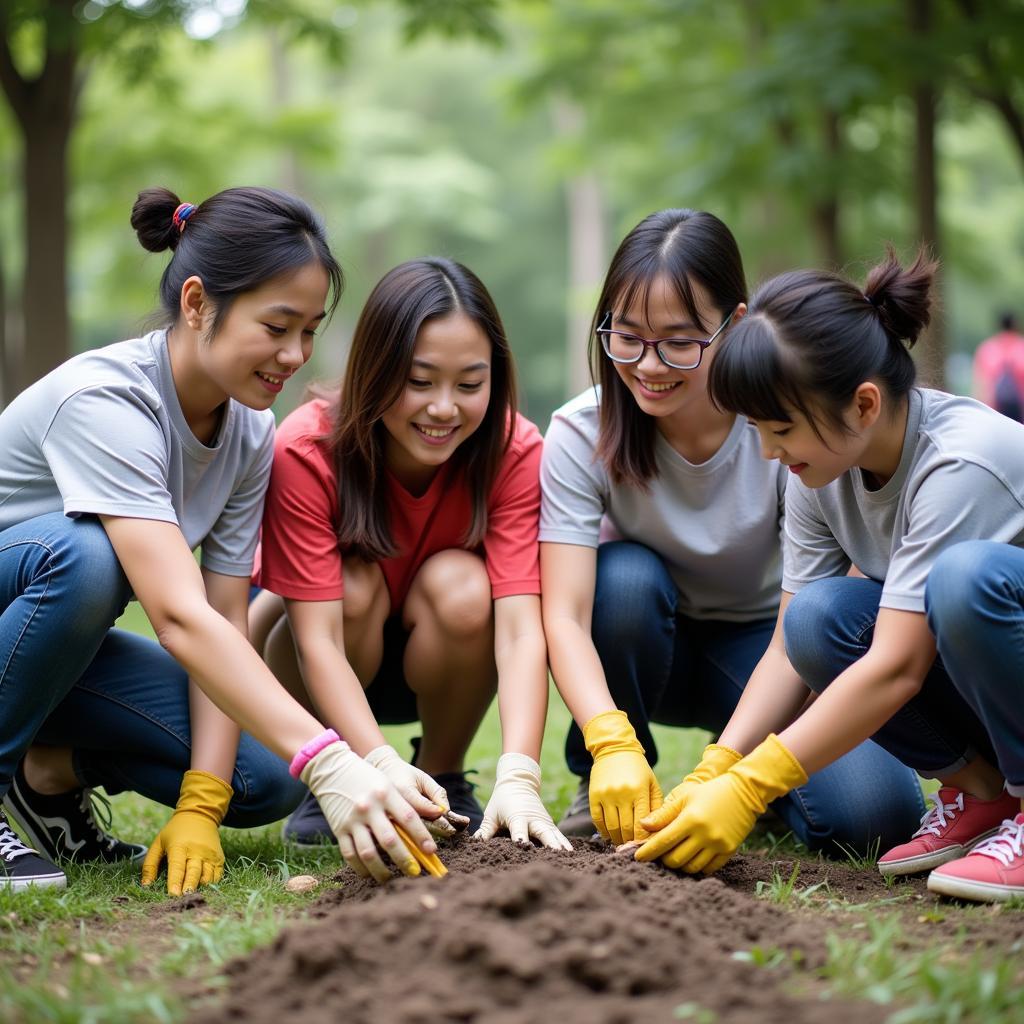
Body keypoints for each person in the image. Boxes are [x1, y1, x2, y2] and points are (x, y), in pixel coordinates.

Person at [0, 186, 441, 894]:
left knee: (261, 779)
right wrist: (332, 760)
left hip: (49, 650)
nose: (295, 353)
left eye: (310, 330)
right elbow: (177, 616)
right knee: (86, 556)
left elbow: (224, 618)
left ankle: (44, 776)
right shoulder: (105, 404)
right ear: (199, 303)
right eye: (277, 326)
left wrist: (204, 801)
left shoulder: (247, 431)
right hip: (32, 595)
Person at [636, 248, 1024, 903]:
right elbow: (792, 642)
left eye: (780, 427)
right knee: (822, 616)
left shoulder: (961, 464)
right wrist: (720, 766)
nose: (765, 450)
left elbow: (898, 666)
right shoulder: (824, 469)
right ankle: (986, 793)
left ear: (865, 404)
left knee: (963, 580)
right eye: (755, 427)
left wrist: (756, 785)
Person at [539, 209, 924, 855]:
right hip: (640, 645)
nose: (649, 365)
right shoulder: (582, 431)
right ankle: (606, 782)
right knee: (625, 581)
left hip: (766, 650)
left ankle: (751, 787)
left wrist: (735, 774)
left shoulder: (789, 428)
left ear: (736, 324)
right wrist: (608, 740)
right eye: (627, 336)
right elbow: (566, 616)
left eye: (679, 340)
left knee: (874, 817)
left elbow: (815, 612)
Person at [249, 257, 570, 852]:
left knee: (466, 587)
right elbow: (315, 639)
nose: (444, 408)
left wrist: (520, 771)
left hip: (443, 661)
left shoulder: (514, 449)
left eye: (470, 385)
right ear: (375, 369)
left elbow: (523, 629)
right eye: (419, 382)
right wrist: (369, 767)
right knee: (350, 584)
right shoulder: (306, 447)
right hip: (320, 656)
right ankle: (335, 780)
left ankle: (443, 776)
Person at [972, 312, 1024, 421]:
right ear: (1016, 325)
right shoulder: (1021, 346)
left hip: (994, 409)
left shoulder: (987, 348)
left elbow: (981, 383)